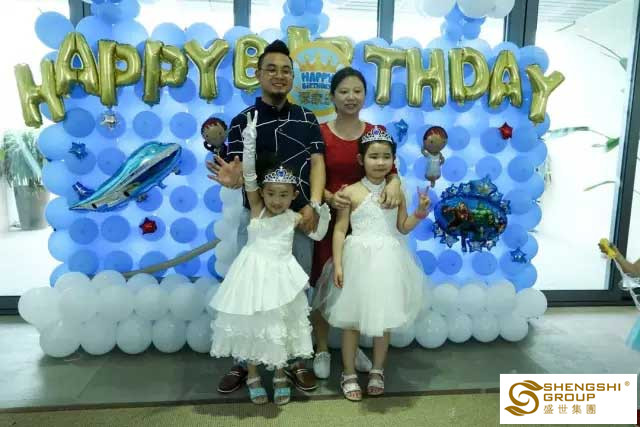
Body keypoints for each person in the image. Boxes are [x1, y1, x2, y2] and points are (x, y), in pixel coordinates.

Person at [207, 40, 326, 394]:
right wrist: (232, 180)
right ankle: (245, 360)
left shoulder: (307, 119)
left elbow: (318, 163)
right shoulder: (242, 121)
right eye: (271, 69)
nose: (279, 75)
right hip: (257, 222)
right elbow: (234, 170)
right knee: (251, 293)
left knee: (294, 294)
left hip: (299, 220)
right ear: (258, 75)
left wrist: (313, 204)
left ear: (292, 78)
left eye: (286, 70)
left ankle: (294, 361)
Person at [315, 126, 429, 401]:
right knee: (351, 322)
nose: (380, 162)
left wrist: (418, 214)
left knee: (384, 321)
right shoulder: (351, 192)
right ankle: (349, 373)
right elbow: (340, 230)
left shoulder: (397, 192)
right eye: (374, 156)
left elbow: (402, 227)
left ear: (393, 160)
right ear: (361, 160)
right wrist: (338, 264)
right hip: (358, 261)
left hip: (388, 261)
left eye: (386, 157)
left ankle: (378, 369)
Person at [310, 67, 404, 379]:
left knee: (364, 287)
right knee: (327, 284)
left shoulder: (375, 130)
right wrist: (328, 197)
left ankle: (354, 348)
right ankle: (322, 347)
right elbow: (312, 174)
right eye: (344, 91)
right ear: (332, 96)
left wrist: (394, 183)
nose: (351, 97)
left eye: (357, 91)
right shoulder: (320, 132)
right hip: (332, 219)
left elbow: (390, 167)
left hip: (369, 221)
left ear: (365, 95)